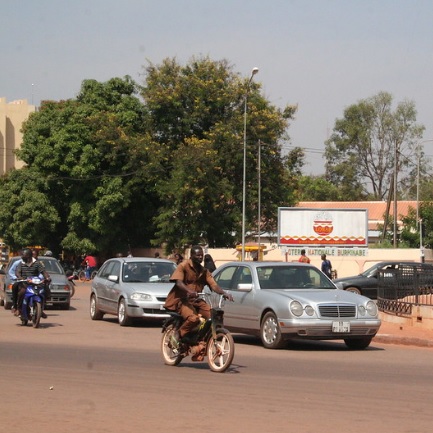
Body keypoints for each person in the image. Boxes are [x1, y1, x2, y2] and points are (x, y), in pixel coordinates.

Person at [164, 245, 233, 345]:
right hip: (182, 300)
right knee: (194, 318)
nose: (200, 257)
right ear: (191, 256)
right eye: (198, 255)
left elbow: (213, 285)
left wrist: (224, 293)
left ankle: (200, 338)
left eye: (202, 255)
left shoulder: (204, 271)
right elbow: (178, 282)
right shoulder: (183, 266)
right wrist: (189, 291)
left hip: (196, 300)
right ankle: (179, 334)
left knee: (212, 316)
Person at [15, 248, 51, 319]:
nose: (22, 257)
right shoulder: (21, 263)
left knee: (45, 290)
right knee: (22, 292)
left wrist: (47, 278)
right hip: (24, 283)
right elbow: (17, 272)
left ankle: (41, 309)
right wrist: (20, 278)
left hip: (35, 283)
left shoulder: (37, 263)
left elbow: (43, 272)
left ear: (28, 256)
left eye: (24, 256)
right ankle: (19, 309)